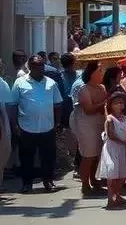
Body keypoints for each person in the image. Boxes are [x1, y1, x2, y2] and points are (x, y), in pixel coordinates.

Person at [9, 55, 63, 193]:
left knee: (48, 157)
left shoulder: (51, 83)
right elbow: (13, 105)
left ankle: (48, 181)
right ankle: (27, 183)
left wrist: (57, 122)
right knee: (26, 158)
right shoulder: (20, 82)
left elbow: (58, 103)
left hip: (47, 126)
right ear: (30, 67)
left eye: (42, 65)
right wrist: (14, 125)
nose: (40, 68)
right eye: (37, 65)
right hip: (26, 127)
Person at [96, 91, 126, 208]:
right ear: (111, 105)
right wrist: (124, 142)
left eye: (121, 103)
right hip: (112, 149)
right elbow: (110, 135)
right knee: (112, 173)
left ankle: (118, 195)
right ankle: (111, 198)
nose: (120, 105)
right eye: (116, 103)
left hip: (124, 149)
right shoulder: (109, 119)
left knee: (122, 174)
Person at [72, 61, 108, 196]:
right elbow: (88, 109)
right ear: (92, 73)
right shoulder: (83, 89)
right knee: (88, 155)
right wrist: (104, 103)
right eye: (99, 70)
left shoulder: (102, 88)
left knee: (98, 154)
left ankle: (94, 180)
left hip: (99, 123)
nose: (101, 72)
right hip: (85, 125)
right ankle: (85, 184)